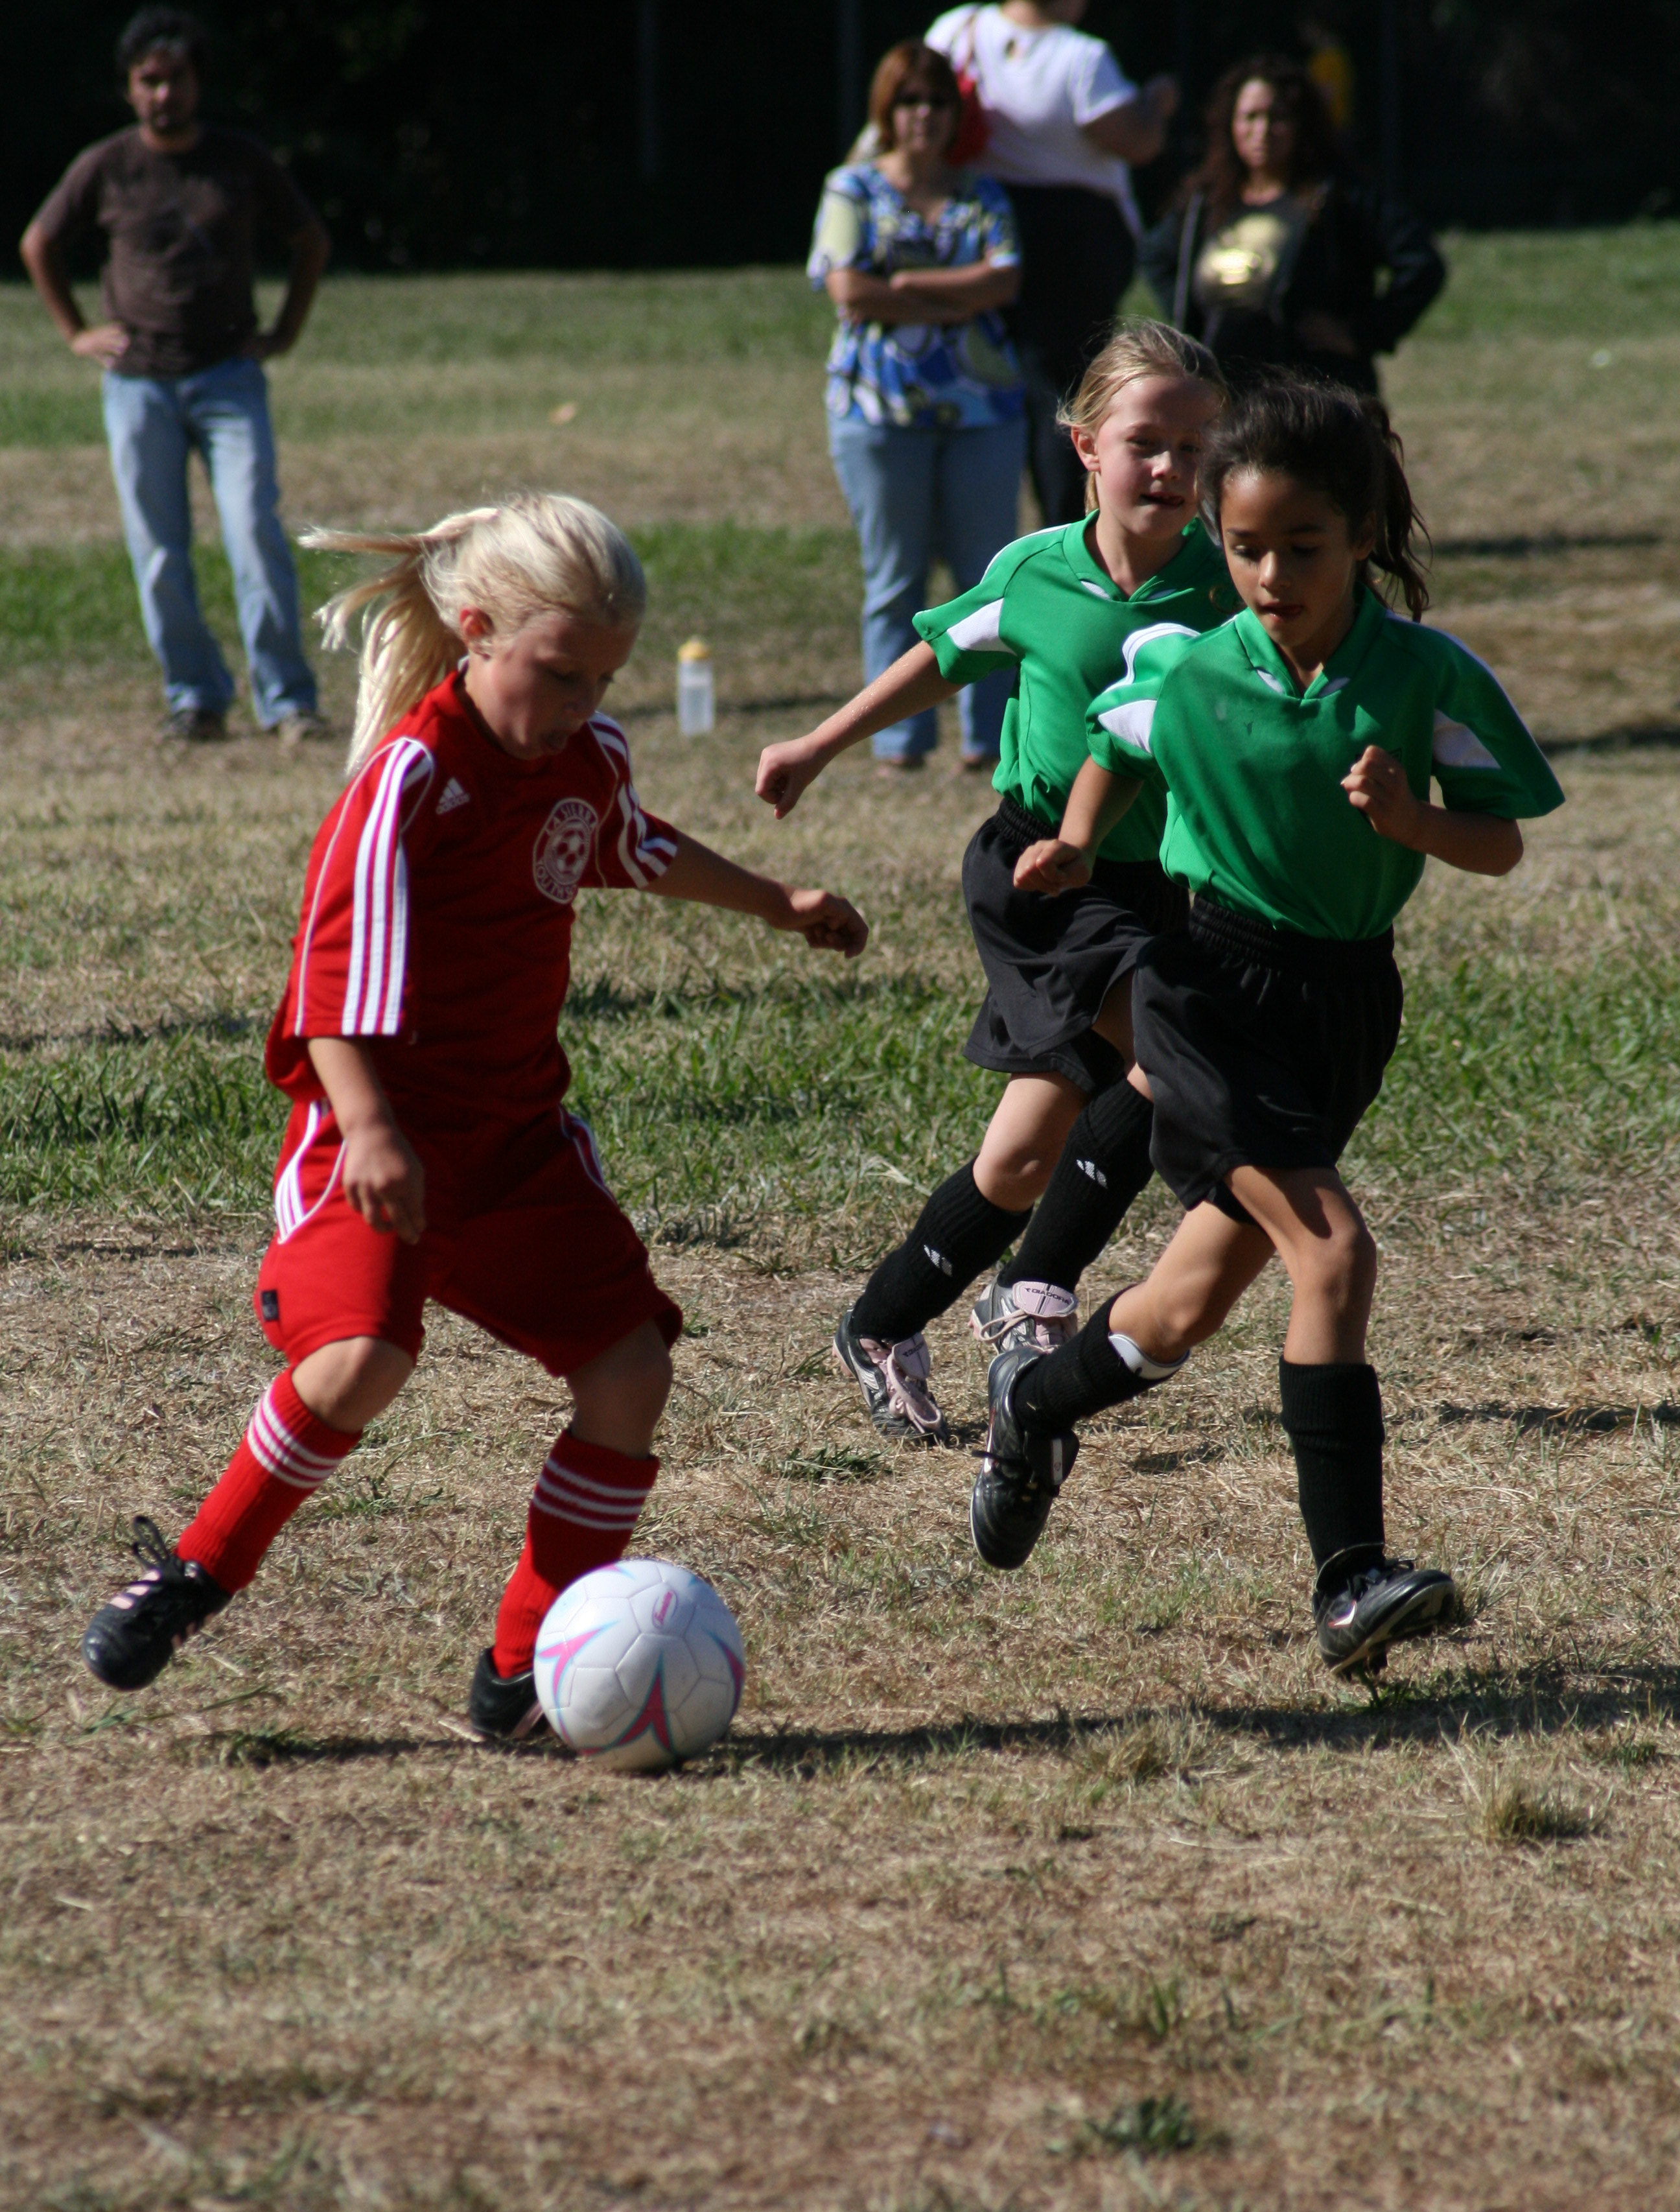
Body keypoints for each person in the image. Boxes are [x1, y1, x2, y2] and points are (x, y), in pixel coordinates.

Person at [78, 493, 868, 1739]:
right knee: (360, 1361)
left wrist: (778, 901)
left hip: (515, 1144)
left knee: (629, 1371)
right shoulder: (410, 779)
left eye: (602, 680)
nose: (581, 705)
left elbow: (627, 843)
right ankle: (194, 1573)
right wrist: (372, 1132)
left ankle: (519, 1675)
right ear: (477, 629)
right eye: (559, 674)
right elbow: (325, 991)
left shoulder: (582, 757)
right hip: (375, 1135)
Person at [967, 381, 1563, 1680]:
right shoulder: (1189, 665)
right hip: (1207, 993)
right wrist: (1077, 842)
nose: (1271, 576)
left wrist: (1412, 822)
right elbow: (1117, 742)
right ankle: (1351, 1583)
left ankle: (1034, 1400)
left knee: (1182, 1308)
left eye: (1303, 546)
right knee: (1333, 1255)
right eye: (1245, 548)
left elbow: (1502, 841)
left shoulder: (1422, 675)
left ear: (1362, 535)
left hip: (1344, 1005)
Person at [756, 323, 1233, 1443]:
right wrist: (819, 745)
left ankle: (880, 1323)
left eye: (1196, 445)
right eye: (1146, 442)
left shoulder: (1229, 585)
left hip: (1152, 884)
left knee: (1020, 1159)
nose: (1171, 466)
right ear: (1085, 446)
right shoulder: (1037, 572)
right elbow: (942, 655)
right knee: (1176, 1054)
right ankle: (1036, 1295)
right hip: (1039, 877)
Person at [19, 7, 330, 745]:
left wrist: (283, 332)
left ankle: (288, 701)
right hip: (138, 384)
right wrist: (76, 332)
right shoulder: (107, 165)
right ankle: (195, 697)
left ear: (198, 83)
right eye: (149, 81)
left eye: (176, 79)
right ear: (129, 88)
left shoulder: (239, 161)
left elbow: (310, 239)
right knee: (158, 549)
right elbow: (39, 242)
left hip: (228, 378)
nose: (163, 94)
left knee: (253, 531)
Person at [811, 40, 1027, 774]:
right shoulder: (851, 189)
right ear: (887, 111)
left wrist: (903, 287)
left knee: (987, 582)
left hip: (984, 412)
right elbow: (847, 289)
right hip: (876, 416)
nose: (924, 115)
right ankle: (898, 743)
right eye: (909, 101)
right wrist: (955, 296)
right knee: (894, 581)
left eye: (937, 101)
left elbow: (1004, 282)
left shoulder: (982, 193)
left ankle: (990, 740)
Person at [926, 3, 1178, 526]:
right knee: (1065, 398)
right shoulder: (1080, 57)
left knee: (983, 380)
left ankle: (977, 528)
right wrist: (1155, 101)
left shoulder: (958, 28)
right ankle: (1066, 527)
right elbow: (1137, 142)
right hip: (1072, 240)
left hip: (979, 227)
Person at [1141, 53, 1444, 397]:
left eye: (1278, 117)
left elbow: (1421, 263)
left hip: (1315, 397)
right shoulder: (1206, 203)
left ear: (1303, 124)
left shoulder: (1339, 197)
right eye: (1250, 117)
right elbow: (1156, 256)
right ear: (1230, 124)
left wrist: (1364, 334)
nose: (1262, 131)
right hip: (1227, 397)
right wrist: (1193, 326)